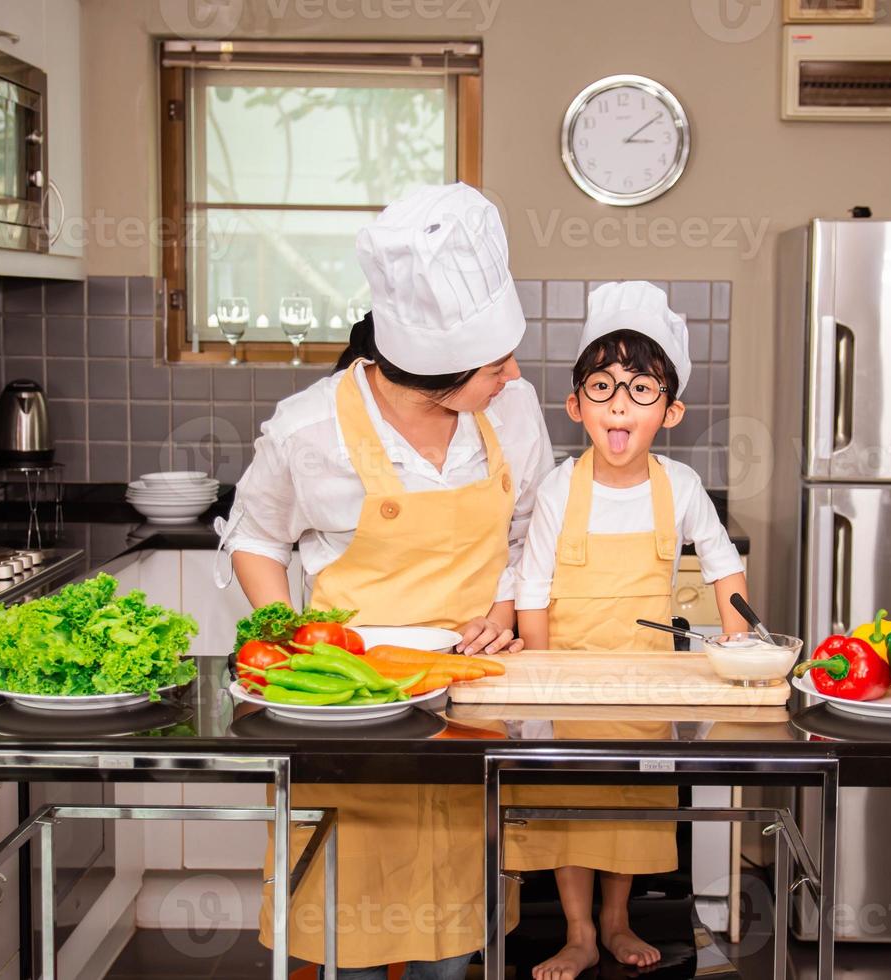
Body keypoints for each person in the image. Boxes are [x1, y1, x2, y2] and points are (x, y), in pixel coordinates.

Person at [216, 182, 554, 976]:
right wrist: (289, 633)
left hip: (473, 697)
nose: (512, 373)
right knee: (345, 935)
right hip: (349, 704)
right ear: (437, 375)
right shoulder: (310, 426)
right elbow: (254, 536)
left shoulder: (513, 410)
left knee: (454, 934)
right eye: (494, 365)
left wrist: (506, 601)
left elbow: (530, 527)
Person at [511, 281, 749, 980]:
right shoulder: (559, 489)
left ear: (670, 411)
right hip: (569, 685)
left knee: (631, 805)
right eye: (604, 385)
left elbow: (722, 565)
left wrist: (741, 640)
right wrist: (543, 690)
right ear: (576, 405)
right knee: (569, 809)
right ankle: (580, 931)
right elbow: (532, 589)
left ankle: (618, 922)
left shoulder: (680, 487)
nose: (621, 402)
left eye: (641, 389)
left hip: (646, 684)